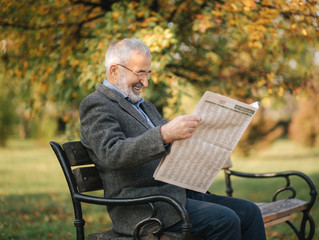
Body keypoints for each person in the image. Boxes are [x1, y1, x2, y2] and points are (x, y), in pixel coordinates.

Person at [79, 38, 266, 240]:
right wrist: (164, 134)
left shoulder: (144, 105)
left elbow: (172, 144)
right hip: (143, 206)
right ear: (114, 71)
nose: (145, 82)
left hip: (175, 194)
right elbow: (111, 153)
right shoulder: (96, 104)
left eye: (147, 73)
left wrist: (210, 145)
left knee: (250, 212)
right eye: (140, 73)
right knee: (225, 219)